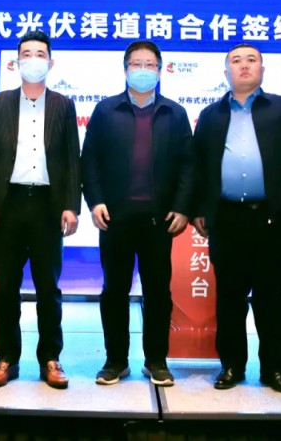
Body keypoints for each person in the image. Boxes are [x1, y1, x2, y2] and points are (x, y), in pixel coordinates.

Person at [193, 43, 281, 394]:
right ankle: (231, 365)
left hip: (272, 218)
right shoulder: (210, 115)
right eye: (236, 61)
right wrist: (200, 208)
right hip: (226, 218)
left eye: (251, 60)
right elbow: (199, 166)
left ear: (262, 69)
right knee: (229, 297)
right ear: (225, 71)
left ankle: (274, 369)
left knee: (271, 296)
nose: (244, 65)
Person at [81, 40, 194, 387]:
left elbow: (188, 166)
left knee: (158, 292)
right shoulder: (106, 110)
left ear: (159, 71)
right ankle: (115, 360)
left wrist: (182, 207)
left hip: (159, 221)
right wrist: (95, 201)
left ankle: (156, 361)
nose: (142, 70)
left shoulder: (175, 113)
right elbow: (90, 160)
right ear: (125, 69)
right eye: (136, 64)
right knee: (114, 291)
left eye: (149, 64)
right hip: (114, 219)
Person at [0, 30, 81, 390]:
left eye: (40, 54)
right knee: (6, 287)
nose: (33, 59)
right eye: (27, 54)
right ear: (16, 61)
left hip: (48, 207)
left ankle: (50, 358)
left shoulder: (63, 105)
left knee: (48, 288)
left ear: (51, 62)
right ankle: (7, 358)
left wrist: (71, 206)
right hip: (8, 205)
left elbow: (72, 159)